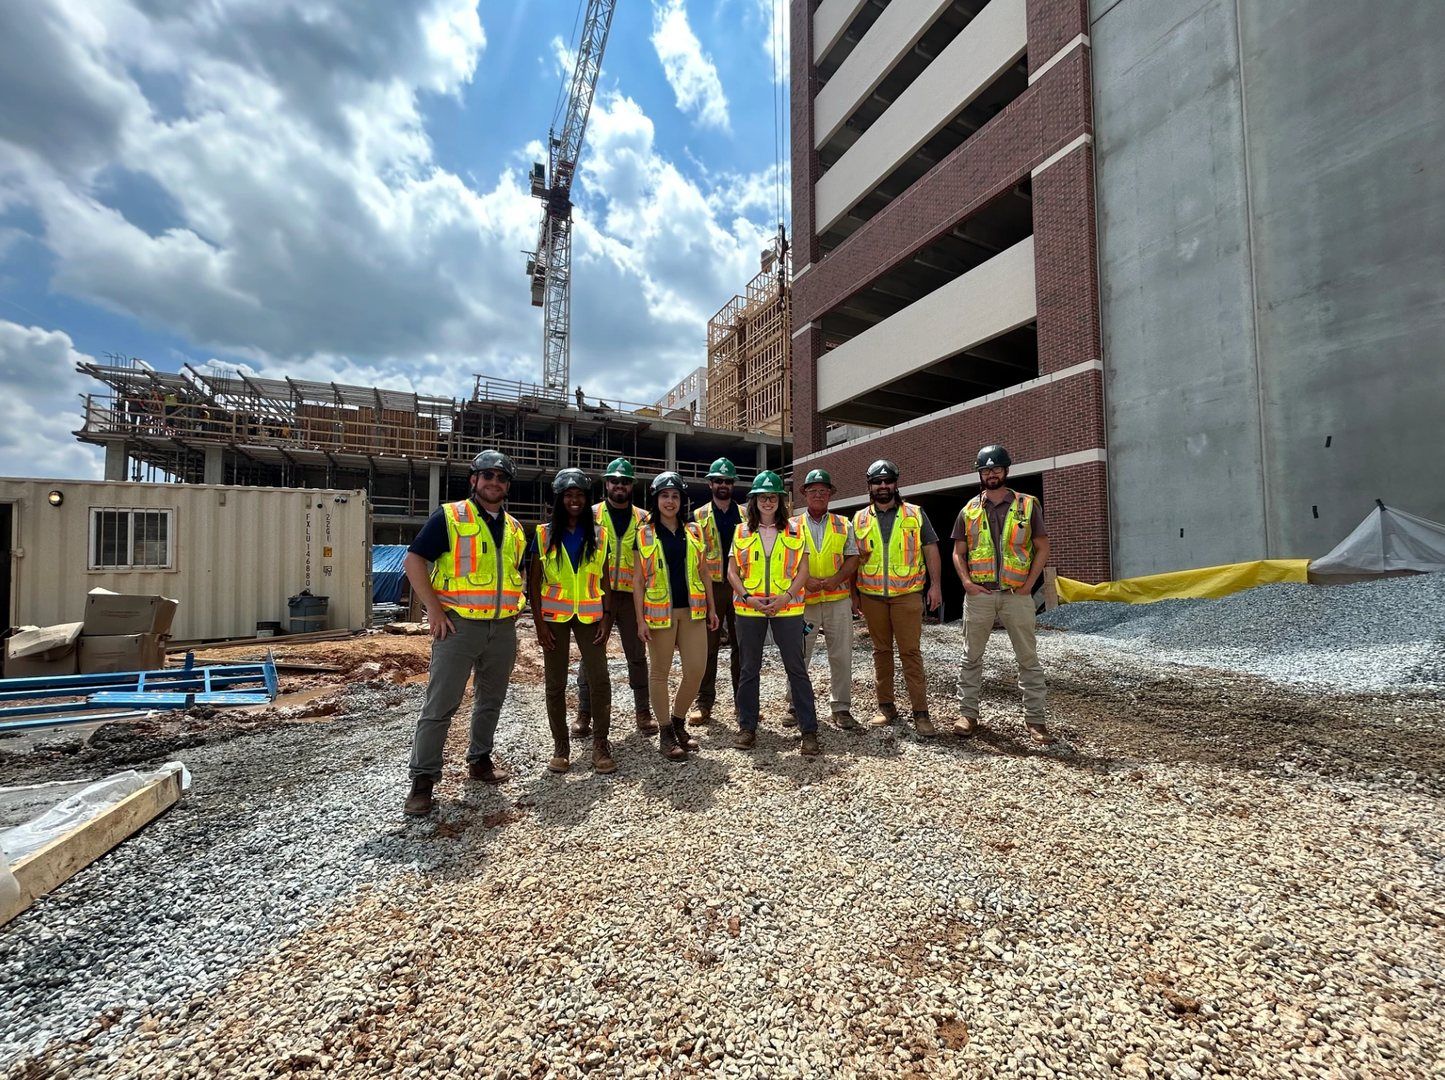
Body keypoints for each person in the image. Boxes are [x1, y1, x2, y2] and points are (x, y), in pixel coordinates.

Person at [401, 450, 527, 817]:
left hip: (502, 627)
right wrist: (434, 610)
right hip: (459, 626)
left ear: (507, 486)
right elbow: (413, 561)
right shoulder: (451, 517)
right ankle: (422, 782)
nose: (494, 482)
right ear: (473, 480)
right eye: (487, 475)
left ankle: (480, 760)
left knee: (491, 700)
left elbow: (515, 575)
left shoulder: (516, 529)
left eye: (502, 477)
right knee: (441, 704)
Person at [952, 445, 1055, 745]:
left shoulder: (1027, 505)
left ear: (1006, 471)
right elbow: (958, 552)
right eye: (986, 469)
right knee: (971, 656)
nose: (991, 473)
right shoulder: (968, 510)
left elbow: (1042, 546)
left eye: (996, 469)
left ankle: (1036, 721)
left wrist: (1028, 586)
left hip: (1016, 594)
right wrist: (967, 583)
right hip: (979, 595)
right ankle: (967, 714)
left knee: (1028, 659)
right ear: (980, 473)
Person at [727, 470, 820, 756]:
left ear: (780, 501)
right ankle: (747, 728)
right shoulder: (741, 530)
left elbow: (804, 570)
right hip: (749, 610)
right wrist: (748, 598)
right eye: (762, 498)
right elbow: (731, 571)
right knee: (748, 670)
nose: (767, 503)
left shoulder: (795, 529)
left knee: (796, 669)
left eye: (772, 497)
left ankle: (809, 731)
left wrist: (786, 597)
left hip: (788, 608)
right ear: (753, 501)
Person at [529, 468, 616, 774]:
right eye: (568, 495)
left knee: (600, 680)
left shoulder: (600, 535)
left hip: (591, 617)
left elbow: (605, 578)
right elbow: (534, 582)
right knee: (555, 684)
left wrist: (607, 616)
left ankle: (601, 745)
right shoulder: (543, 534)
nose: (574, 500)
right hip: (554, 619)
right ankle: (561, 746)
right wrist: (539, 624)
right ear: (559, 498)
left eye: (580, 494)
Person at [852, 459, 944, 737]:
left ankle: (921, 712)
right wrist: (853, 594)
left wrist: (936, 586)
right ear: (869, 486)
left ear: (895, 483)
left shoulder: (915, 514)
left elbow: (931, 550)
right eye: (877, 482)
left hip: (907, 595)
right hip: (871, 597)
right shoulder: (859, 519)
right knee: (881, 652)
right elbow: (852, 559)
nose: (882, 486)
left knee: (910, 653)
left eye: (887, 481)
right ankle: (886, 706)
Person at [633, 472, 718, 761]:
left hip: (693, 610)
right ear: (655, 500)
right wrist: (639, 620)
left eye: (675, 496)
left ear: (681, 501)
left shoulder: (694, 531)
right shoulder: (643, 533)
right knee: (660, 673)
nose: (670, 501)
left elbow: (704, 571)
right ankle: (666, 732)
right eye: (664, 495)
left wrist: (712, 608)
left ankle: (679, 720)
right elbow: (638, 581)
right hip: (659, 614)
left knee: (696, 669)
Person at [576, 457, 654, 735]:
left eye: (625, 481)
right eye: (615, 481)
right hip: (598, 595)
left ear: (631, 485)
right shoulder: (592, 514)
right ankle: (585, 712)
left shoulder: (644, 518)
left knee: (636, 654)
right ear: (606, 483)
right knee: (591, 654)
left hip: (633, 597)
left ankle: (643, 711)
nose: (619, 486)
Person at [785, 469, 861, 728]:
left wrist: (836, 579)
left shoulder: (844, 524)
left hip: (837, 599)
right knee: (799, 655)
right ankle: (796, 705)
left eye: (823, 491)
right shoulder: (791, 525)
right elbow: (786, 562)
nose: (818, 495)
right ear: (804, 493)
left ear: (830, 494)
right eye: (813, 490)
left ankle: (841, 708)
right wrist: (804, 581)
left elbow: (853, 557)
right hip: (803, 601)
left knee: (840, 655)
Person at [689, 457, 743, 725]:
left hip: (739, 587)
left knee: (741, 647)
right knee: (707, 648)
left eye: (728, 481)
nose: (723, 485)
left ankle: (742, 703)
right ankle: (704, 702)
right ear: (710, 484)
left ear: (733, 485)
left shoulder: (745, 515)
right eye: (718, 480)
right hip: (711, 589)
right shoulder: (698, 516)